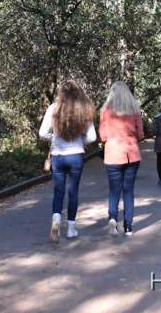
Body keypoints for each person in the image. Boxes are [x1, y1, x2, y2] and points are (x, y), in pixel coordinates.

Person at [39, 80, 97, 243]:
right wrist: (80, 141)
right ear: (78, 93)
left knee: (58, 191)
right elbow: (92, 137)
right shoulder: (84, 110)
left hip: (58, 156)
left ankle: (56, 220)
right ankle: (71, 229)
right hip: (76, 156)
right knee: (73, 192)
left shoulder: (53, 108)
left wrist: (54, 137)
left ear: (61, 93)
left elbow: (42, 133)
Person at [99, 81, 144, 237]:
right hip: (131, 154)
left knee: (114, 190)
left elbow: (103, 136)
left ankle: (112, 218)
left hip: (112, 154)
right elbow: (141, 134)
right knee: (128, 191)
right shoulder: (134, 111)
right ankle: (128, 227)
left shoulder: (105, 112)